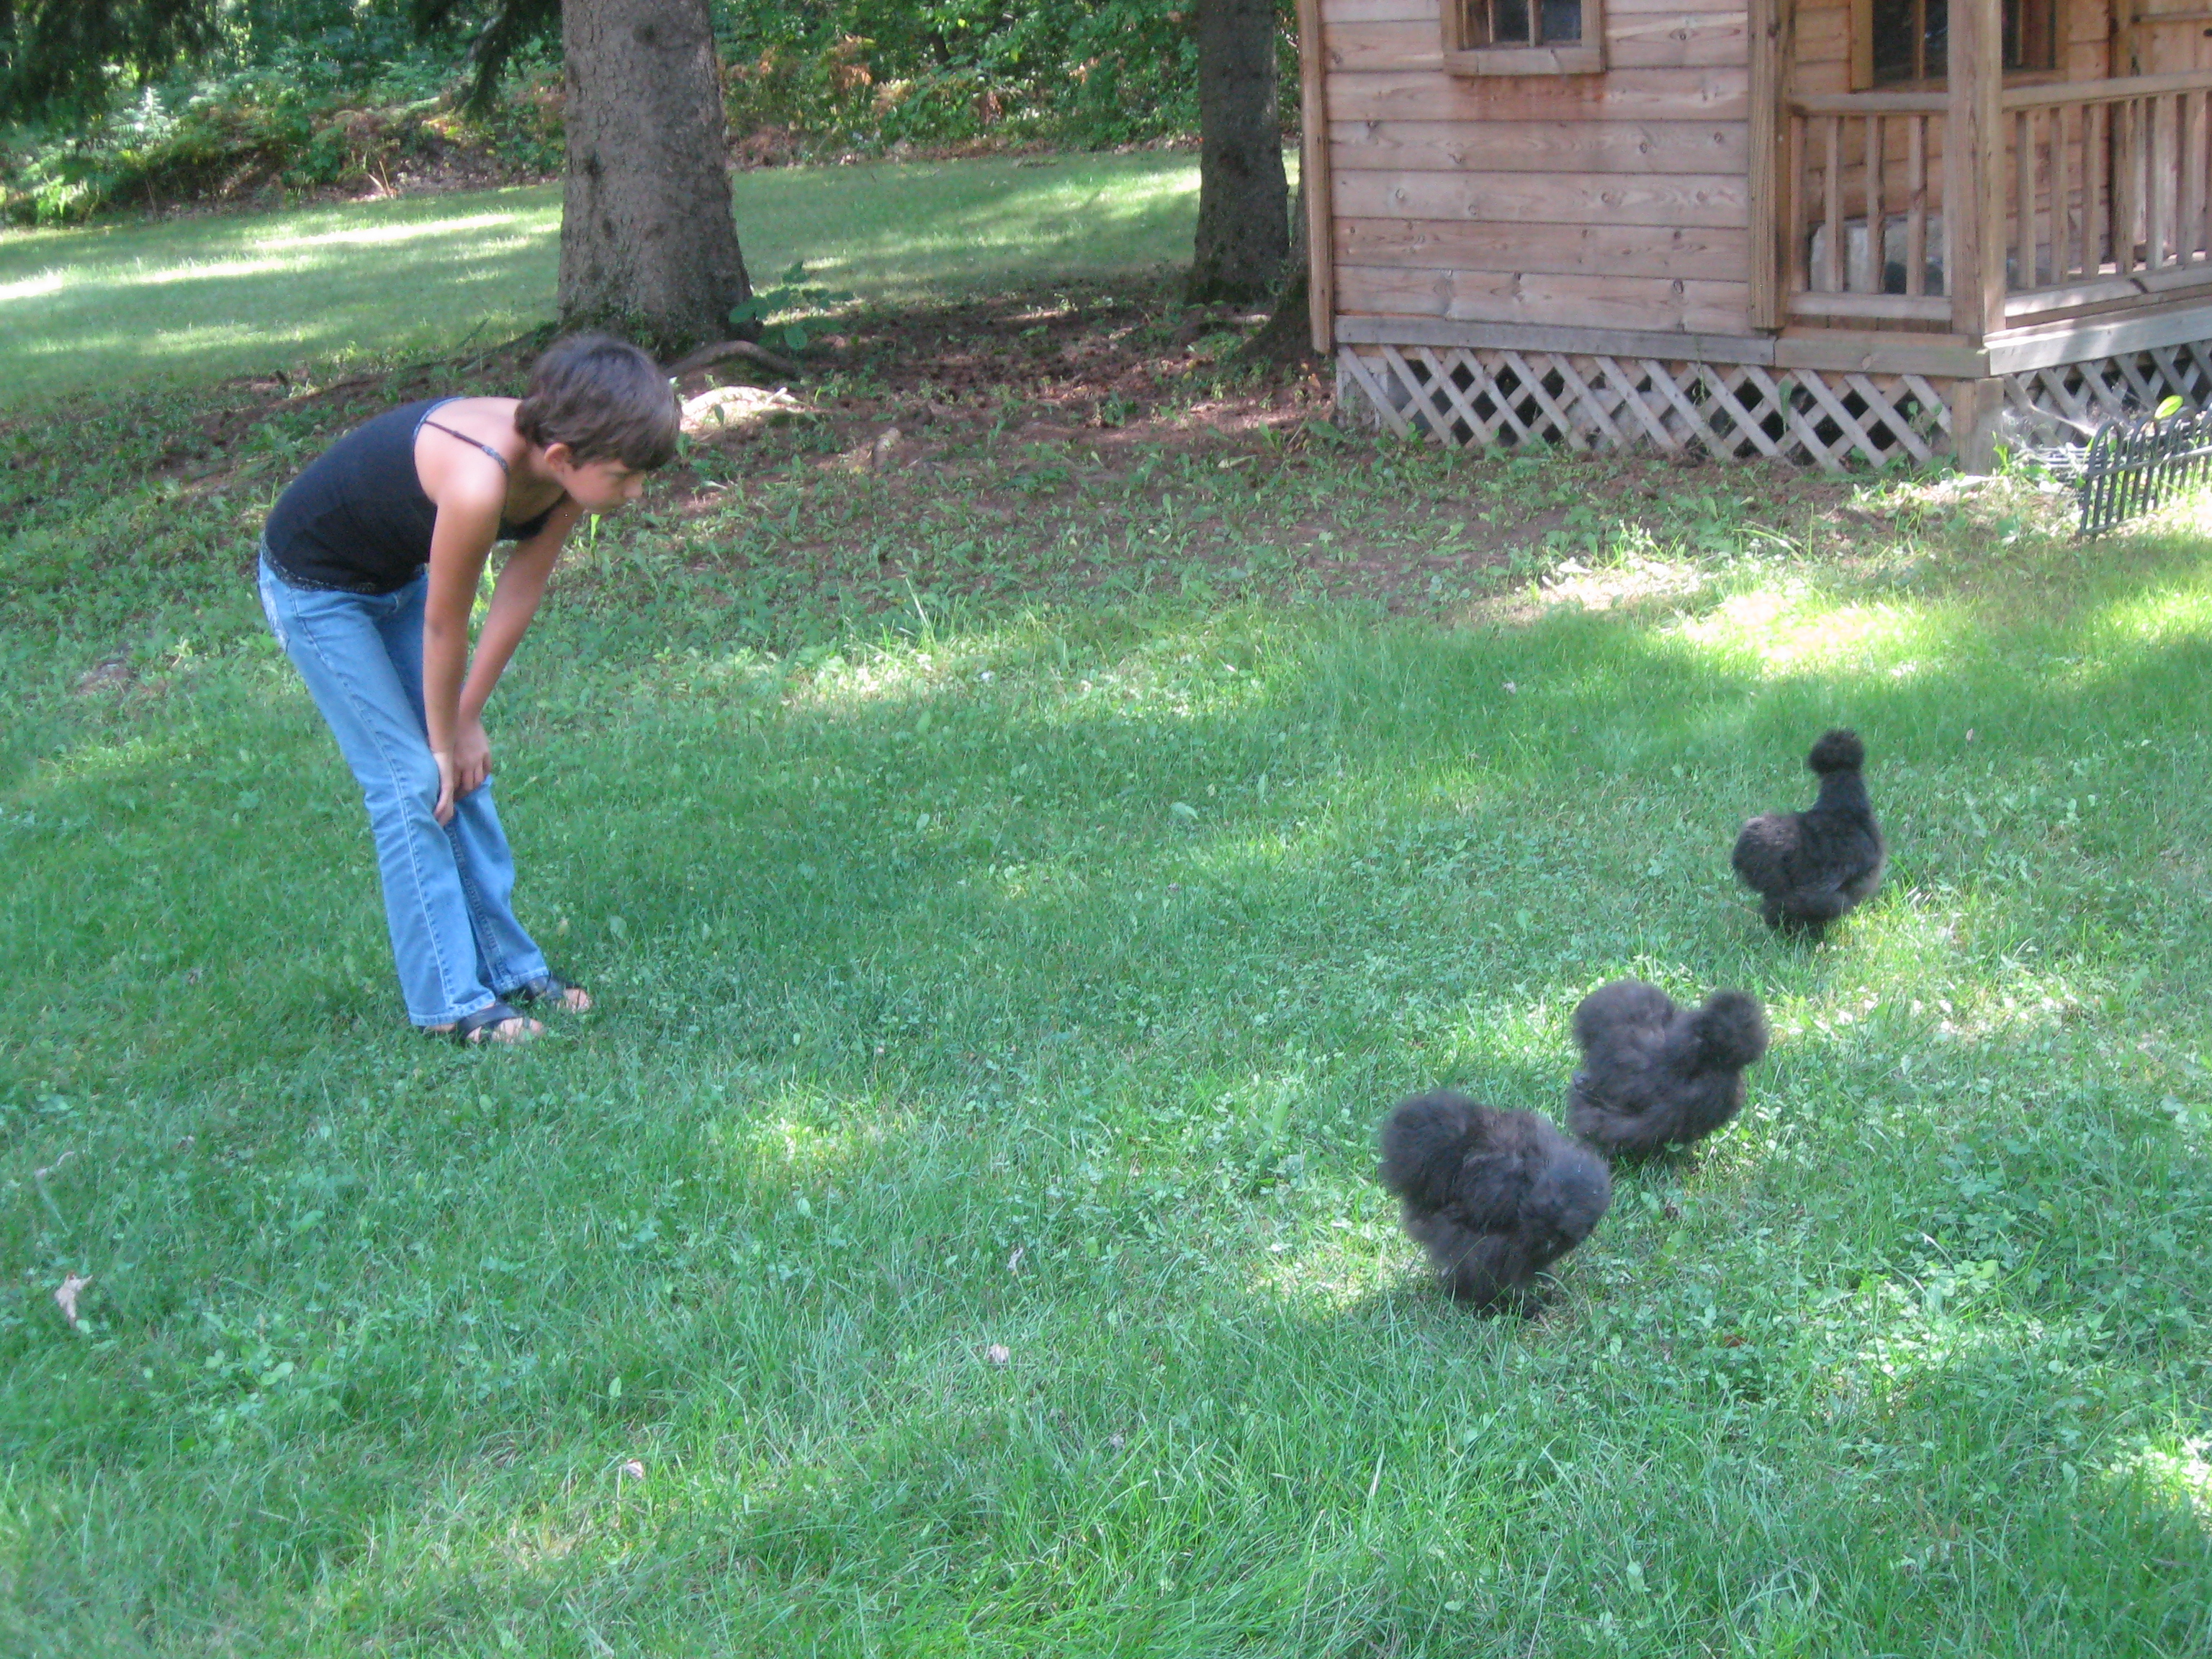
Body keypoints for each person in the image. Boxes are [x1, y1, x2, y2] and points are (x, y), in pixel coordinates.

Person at [256, 333, 677, 1042]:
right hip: (316, 591)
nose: (636, 492)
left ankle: (510, 968)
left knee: (465, 776)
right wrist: (442, 737)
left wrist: (466, 719)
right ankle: (450, 1005)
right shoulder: (480, 479)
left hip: (393, 580)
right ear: (562, 458)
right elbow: (445, 625)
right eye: (626, 475)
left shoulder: (568, 468)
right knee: (413, 782)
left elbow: (518, 591)